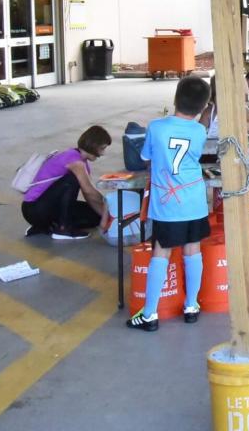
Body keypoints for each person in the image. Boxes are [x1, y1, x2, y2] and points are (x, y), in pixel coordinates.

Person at [128, 77, 210, 330]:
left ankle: (150, 314)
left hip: (167, 203)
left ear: (175, 99)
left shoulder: (156, 127)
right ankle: (191, 306)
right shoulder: (200, 131)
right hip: (194, 200)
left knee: (161, 252)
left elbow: (145, 158)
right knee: (193, 250)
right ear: (203, 106)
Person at [22, 125, 111, 240]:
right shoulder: (75, 161)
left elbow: (89, 196)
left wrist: (106, 216)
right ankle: (63, 229)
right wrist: (108, 204)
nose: (103, 153)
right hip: (34, 209)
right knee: (72, 179)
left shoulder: (81, 162)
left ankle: (45, 226)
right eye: (102, 148)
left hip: (47, 206)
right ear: (93, 145)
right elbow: (89, 191)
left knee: (95, 217)